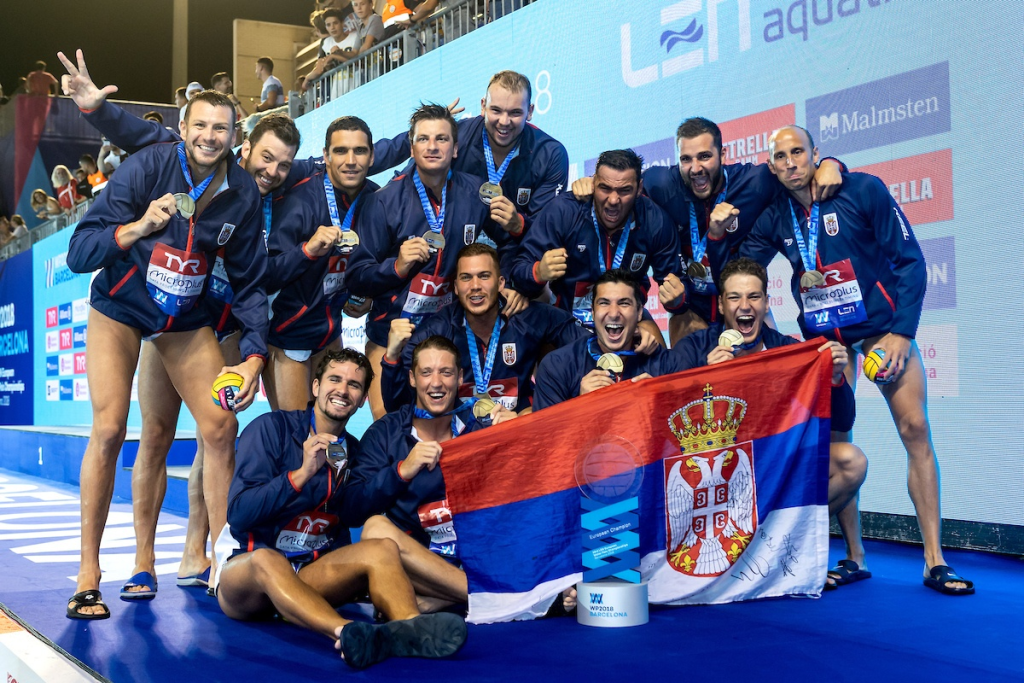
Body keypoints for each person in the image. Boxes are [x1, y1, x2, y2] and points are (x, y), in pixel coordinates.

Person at [61, 49, 305, 593]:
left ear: (235, 136)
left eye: (221, 129)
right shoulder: (149, 164)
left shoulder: (242, 191)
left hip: (183, 319)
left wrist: (253, 357)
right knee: (110, 428)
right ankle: (92, 572)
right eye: (201, 126)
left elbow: (250, 283)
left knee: (220, 426)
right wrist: (137, 228)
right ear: (183, 127)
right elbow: (80, 252)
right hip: (121, 308)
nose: (209, 137)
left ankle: (225, 562)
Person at [707, 125, 972, 595]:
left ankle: (935, 560)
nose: (790, 162)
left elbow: (910, 261)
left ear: (816, 154)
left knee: (914, 429)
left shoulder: (862, 190)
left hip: (880, 329)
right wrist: (716, 233)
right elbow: (737, 267)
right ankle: (854, 557)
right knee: (837, 443)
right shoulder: (775, 215)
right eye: (781, 157)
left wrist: (902, 333)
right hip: (827, 341)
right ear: (771, 166)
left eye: (798, 152)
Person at [217, 349, 467, 669]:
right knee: (268, 559)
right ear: (316, 386)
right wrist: (300, 475)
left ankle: (411, 628)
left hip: (309, 577)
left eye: (354, 385)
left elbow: (354, 513)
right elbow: (239, 514)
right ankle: (347, 632)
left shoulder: (354, 450)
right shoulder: (271, 428)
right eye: (335, 379)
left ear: (362, 400)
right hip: (248, 579)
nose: (343, 390)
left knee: (381, 548)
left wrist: (399, 473)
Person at [671, 257, 868, 589]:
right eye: (734, 297)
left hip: (773, 473)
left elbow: (843, 418)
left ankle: (774, 543)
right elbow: (663, 413)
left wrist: (835, 379)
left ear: (766, 303)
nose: (744, 306)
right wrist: (702, 380)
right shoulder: (696, 348)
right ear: (722, 305)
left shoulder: (788, 351)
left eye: (754, 297)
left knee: (852, 462)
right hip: (715, 481)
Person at [572, 117, 845, 345]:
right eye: (686, 159)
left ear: (723, 155)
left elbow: (793, 172)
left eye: (704, 156)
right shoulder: (660, 183)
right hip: (692, 310)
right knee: (689, 383)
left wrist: (832, 164)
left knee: (768, 378)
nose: (695, 168)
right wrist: (590, 184)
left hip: (743, 305)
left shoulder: (755, 182)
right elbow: (619, 188)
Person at [347, 103, 526, 419]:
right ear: (411, 148)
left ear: (455, 149)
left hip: (449, 335)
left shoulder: (477, 193)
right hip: (392, 333)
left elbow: (510, 241)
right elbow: (357, 276)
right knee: (391, 424)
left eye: (441, 139)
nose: (432, 146)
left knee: (453, 428)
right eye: (423, 139)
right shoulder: (383, 202)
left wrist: (509, 282)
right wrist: (396, 267)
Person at [348, 336, 515, 612]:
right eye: (426, 372)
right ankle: (490, 595)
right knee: (375, 529)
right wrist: (401, 472)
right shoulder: (386, 433)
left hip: (476, 557)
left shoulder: (482, 428)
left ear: (459, 378)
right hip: (419, 566)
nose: (436, 383)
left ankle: (437, 601)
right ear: (412, 378)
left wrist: (516, 434)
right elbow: (353, 510)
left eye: (446, 372)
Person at [380, 242, 596, 413]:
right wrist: (391, 356)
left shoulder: (527, 317)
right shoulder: (436, 332)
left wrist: (541, 407)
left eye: (484, 276)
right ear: (456, 287)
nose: (475, 286)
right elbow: (397, 405)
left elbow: (590, 345)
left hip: (517, 429)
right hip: (459, 438)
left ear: (501, 283)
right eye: (466, 278)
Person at [262, 116, 379, 411]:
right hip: (288, 333)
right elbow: (266, 275)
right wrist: (307, 251)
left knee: (331, 427)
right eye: (340, 151)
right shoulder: (299, 200)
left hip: (330, 333)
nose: (350, 161)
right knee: (296, 429)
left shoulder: (375, 199)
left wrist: (369, 295)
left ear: (372, 156)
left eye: (359, 151)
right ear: (325, 156)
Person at [511, 148, 684, 336]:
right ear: (593, 183)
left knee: (655, 341)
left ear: (639, 188)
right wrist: (538, 272)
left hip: (626, 321)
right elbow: (519, 269)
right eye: (605, 188)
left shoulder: (655, 222)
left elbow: (677, 290)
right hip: (569, 321)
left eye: (624, 190)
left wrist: (677, 298)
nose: (613, 200)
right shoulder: (565, 211)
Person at [533, 269, 684, 410]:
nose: (613, 313)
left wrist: (659, 404)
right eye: (604, 303)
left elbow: (686, 421)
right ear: (593, 312)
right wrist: (580, 406)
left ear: (639, 312)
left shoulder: (667, 365)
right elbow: (546, 430)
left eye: (624, 303)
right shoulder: (557, 366)